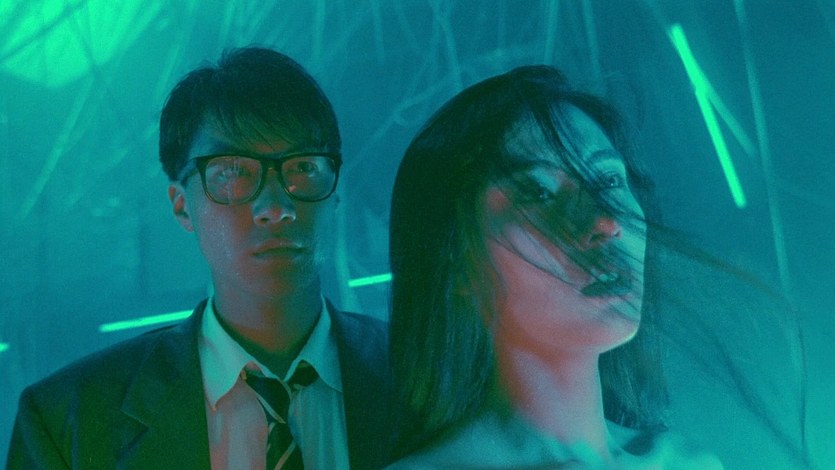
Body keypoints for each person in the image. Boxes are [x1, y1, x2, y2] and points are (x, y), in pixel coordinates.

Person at [7, 47, 391, 470]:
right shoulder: (70, 420)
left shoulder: (425, 382)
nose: (275, 207)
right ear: (181, 206)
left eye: (303, 167)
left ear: (335, 191)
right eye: (232, 172)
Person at [384, 65, 730, 469]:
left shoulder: (689, 463)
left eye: (609, 181)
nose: (606, 222)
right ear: (456, 263)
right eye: (537, 193)